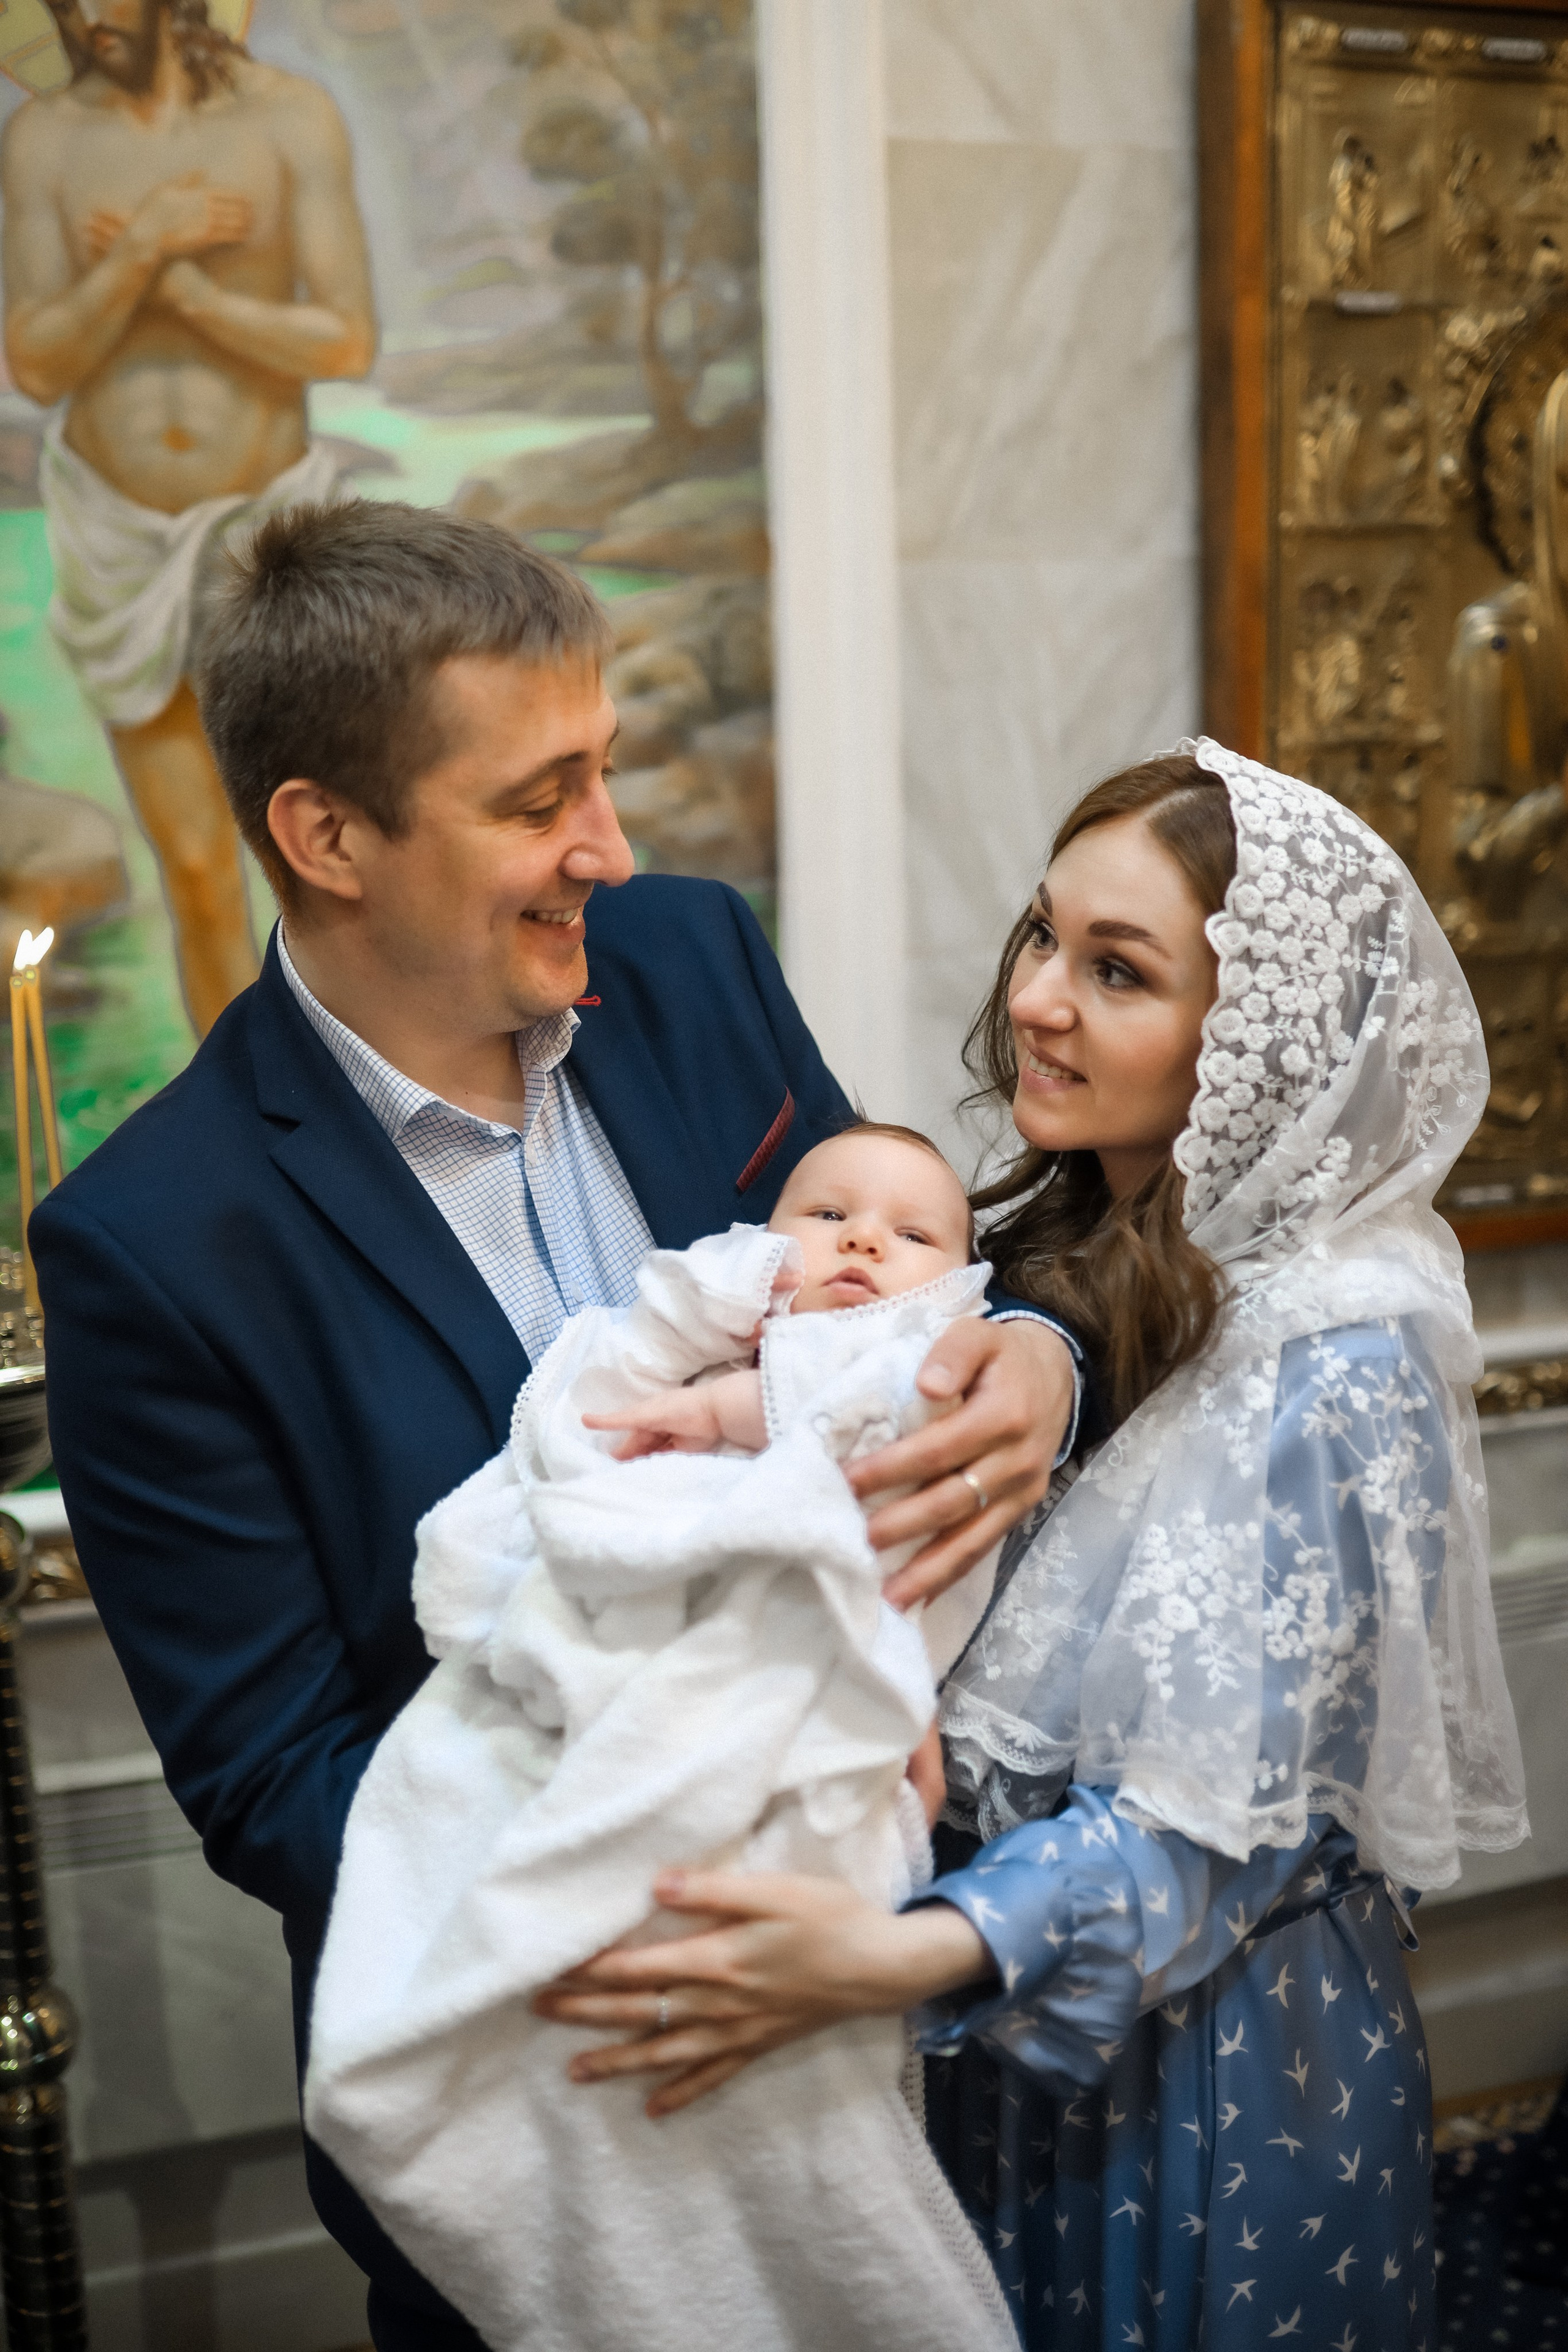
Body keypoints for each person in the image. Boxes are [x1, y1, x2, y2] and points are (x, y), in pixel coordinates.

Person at [30, 499, 1081, 2352]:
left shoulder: (695, 960)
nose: (610, 844)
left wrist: (1042, 1351)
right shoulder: (155, 1244)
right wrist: (682, 1873)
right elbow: (277, 1778)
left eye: (602, 769)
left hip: (901, 1977)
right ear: (326, 836)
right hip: (569, 2074)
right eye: (539, 801)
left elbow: (900, 1277)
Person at [535, 739, 1528, 2351]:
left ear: (1255, 1041)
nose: (1038, 1000)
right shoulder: (1047, 1250)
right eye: (1044, 935)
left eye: (1117, 971)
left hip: (1209, 2081)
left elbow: (1207, 1841)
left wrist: (884, 1956)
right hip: (1002, 2048)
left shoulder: (1342, 1359)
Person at [305, 1125, 1021, 2352]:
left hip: (797, 1670)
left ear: (958, 1284)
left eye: (912, 1235)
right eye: (826, 1215)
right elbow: (595, 1401)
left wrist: (728, 1409)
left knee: (772, 2033)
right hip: (622, 1647)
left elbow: (881, 1422)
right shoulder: (710, 1332)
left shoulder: (926, 1356)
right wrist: (710, 1314)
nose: (862, 1240)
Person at [1, 0, 375, 1034]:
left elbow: (344, 341)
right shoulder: (46, 138)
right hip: (118, 533)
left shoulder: (288, 117)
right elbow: (40, 362)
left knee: (327, 867)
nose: (84, 14)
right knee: (202, 873)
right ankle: (244, 1119)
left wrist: (193, 298)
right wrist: (140, 253)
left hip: (266, 528)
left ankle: (359, 1104)